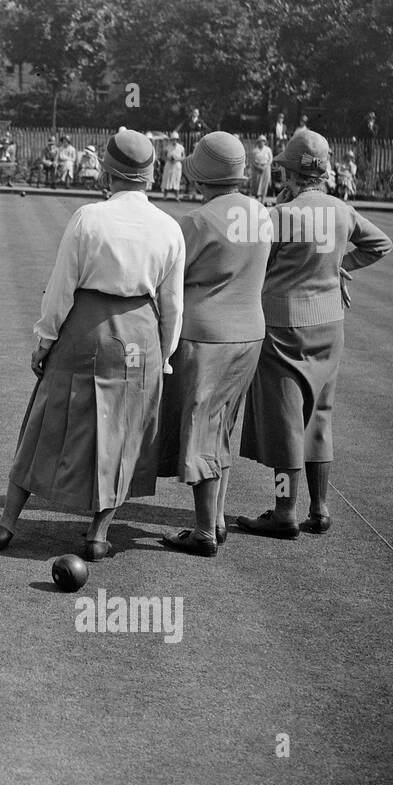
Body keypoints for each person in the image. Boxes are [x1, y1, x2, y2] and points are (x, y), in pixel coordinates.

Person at [0, 130, 185, 560]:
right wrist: (164, 357)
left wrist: (44, 341)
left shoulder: (89, 217)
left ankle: (6, 525)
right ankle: (98, 535)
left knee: (46, 420)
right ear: (150, 175)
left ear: (107, 171)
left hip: (85, 328)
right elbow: (173, 303)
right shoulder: (169, 227)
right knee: (122, 433)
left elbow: (60, 289)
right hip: (140, 335)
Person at [238, 130, 392, 538]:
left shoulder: (280, 215)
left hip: (283, 324)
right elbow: (381, 244)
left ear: (289, 173)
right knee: (319, 416)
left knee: (285, 421)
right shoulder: (342, 210)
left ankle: (284, 511)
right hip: (330, 324)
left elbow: (256, 265)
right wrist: (342, 265)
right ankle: (319, 509)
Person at [156, 133, 271, 555]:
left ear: (202, 172)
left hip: (206, 337)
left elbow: (168, 280)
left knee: (202, 428)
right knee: (222, 427)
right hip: (250, 333)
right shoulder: (262, 213)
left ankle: (204, 531)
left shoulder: (197, 221)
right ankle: (217, 520)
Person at [161, 130, 185, 199]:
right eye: (173, 139)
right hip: (169, 165)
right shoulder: (167, 147)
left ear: (177, 140)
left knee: (176, 180)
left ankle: (177, 197)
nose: (174, 141)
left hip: (177, 166)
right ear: (171, 139)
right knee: (167, 180)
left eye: (175, 139)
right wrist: (169, 159)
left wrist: (177, 159)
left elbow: (183, 157)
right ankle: (165, 196)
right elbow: (163, 156)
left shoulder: (181, 147)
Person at [249, 135, 273, 202]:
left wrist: (265, 166)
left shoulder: (268, 149)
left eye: (263, 141)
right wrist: (258, 167)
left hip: (266, 168)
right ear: (258, 142)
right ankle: (257, 198)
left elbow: (270, 159)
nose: (262, 143)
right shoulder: (254, 151)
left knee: (264, 184)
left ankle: (263, 200)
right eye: (260, 141)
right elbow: (252, 161)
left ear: (265, 142)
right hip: (257, 168)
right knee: (257, 183)